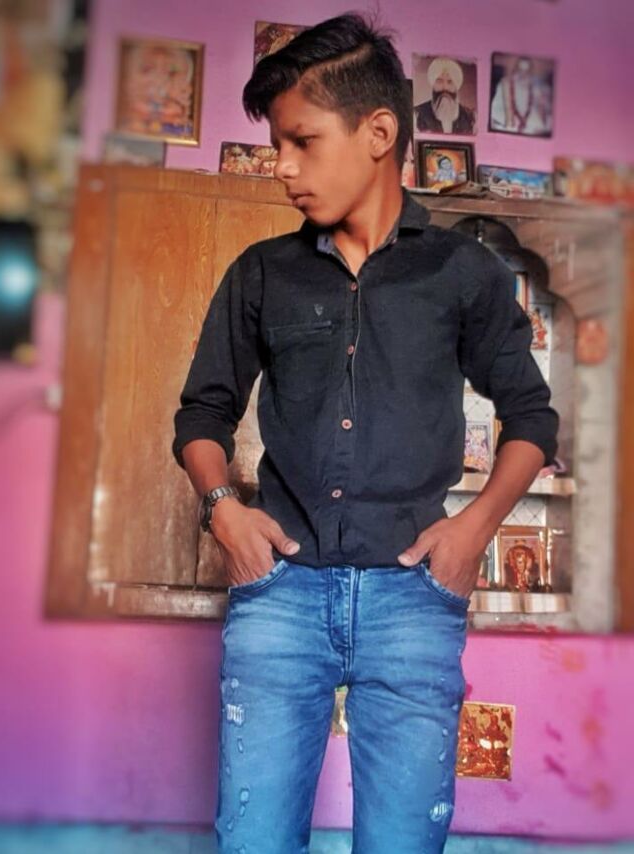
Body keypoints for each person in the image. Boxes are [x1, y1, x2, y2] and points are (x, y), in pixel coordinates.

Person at [172, 13, 558, 853]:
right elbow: (202, 413)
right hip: (280, 595)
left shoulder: (462, 273)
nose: (283, 166)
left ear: (378, 133)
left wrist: (472, 531)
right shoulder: (261, 274)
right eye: (277, 145)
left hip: (413, 600)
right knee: (253, 841)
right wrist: (221, 511)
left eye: (302, 141)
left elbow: (532, 418)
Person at [490, 56, 553, 136]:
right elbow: (495, 112)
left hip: (531, 128)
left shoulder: (536, 87)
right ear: (516, 69)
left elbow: (543, 114)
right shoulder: (505, 84)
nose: (523, 74)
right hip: (507, 125)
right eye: (521, 70)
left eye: (526, 71)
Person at [415, 56, 476, 135]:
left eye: (450, 82)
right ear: (433, 85)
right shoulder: (416, 115)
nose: (445, 88)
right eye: (439, 81)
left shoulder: (471, 118)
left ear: (456, 87)